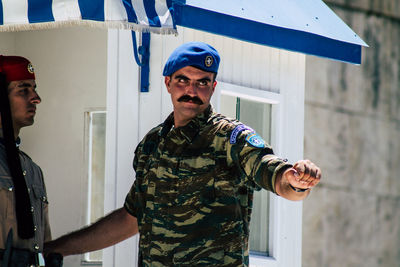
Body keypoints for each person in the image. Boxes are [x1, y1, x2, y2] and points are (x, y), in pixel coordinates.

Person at [44, 42, 321, 266]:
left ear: (213, 87)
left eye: (202, 82)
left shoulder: (230, 138)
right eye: (183, 80)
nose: (192, 90)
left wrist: (295, 180)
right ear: (168, 83)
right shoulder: (151, 145)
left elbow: (270, 171)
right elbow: (132, 218)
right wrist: (57, 249)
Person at [0, 56, 62, 267]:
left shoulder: (32, 170)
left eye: (34, 89)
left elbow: (45, 243)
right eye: (23, 90)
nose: (36, 98)